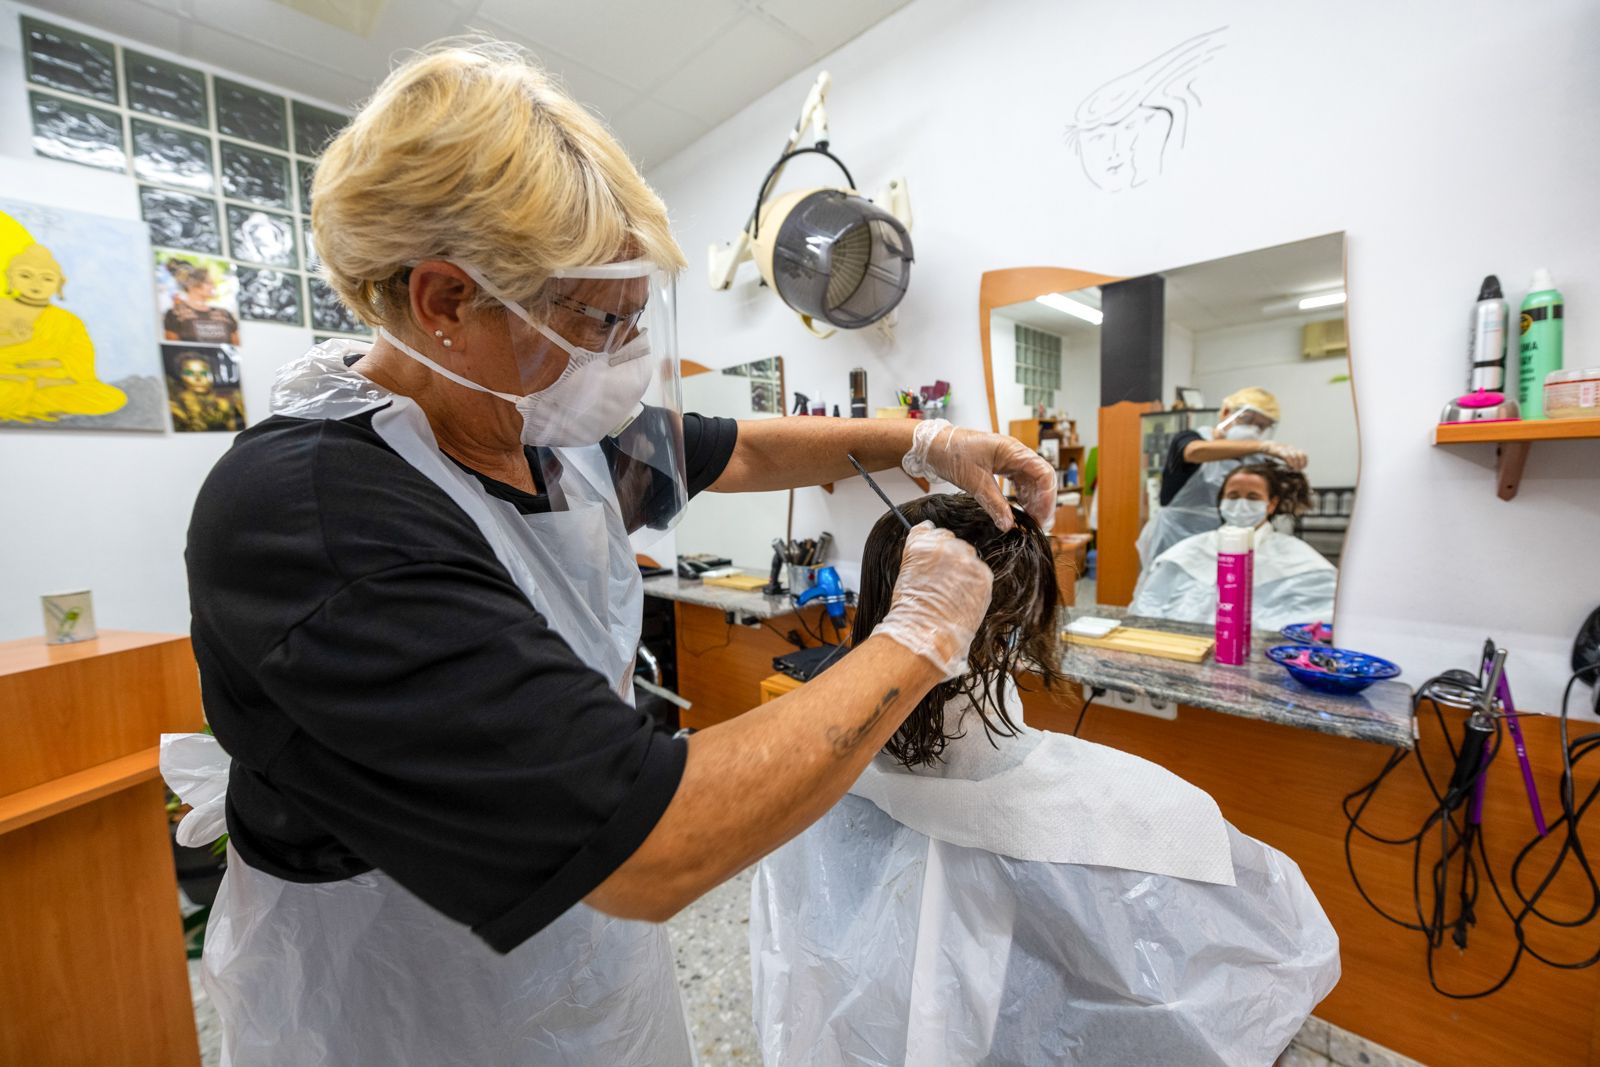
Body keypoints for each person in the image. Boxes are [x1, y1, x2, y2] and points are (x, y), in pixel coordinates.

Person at [161, 39, 1056, 1067]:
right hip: (397, 992)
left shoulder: (547, 426)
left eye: (636, 317)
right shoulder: (316, 519)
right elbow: (651, 842)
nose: (627, 361)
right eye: (600, 321)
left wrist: (920, 438)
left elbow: (739, 445)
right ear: (446, 301)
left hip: (583, 960)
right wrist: (919, 632)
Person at [751, 493, 1340, 1066]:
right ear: (1019, 620)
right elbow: (1273, 972)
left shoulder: (816, 778)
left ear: (876, 604)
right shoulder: (1148, 811)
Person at [1131, 463, 1337, 630]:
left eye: (1253, 497)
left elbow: (1322, 619)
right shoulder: (1188, 551)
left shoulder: (1296, 556)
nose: (1241, 504)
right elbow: (1148, 609)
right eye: (1233, 496)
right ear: (1221, 501)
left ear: (1272, 504)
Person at [1136, 386, 1308, 565]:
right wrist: (1263, 446)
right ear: (1226, 412)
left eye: (1261, 426)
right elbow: (1193, 452)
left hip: (1226, 544)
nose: (1254, 430)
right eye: (1248, 420)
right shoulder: (1191, 439)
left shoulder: (1253, 460)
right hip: (1175, 537)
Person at [0, 242, 126, 422]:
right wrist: (13, 340)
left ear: (60, 283)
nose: (36, 284)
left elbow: (81, 366)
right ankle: (28, 401)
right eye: (25, 275)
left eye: (47, 278)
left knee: (112, 397)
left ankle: (27, 401)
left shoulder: (68, 320)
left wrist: (45, 368)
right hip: (7, 376)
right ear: (10, 277)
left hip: (49, 382)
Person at [162, 258, 241, 345]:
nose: (213, 286)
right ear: (193, 284)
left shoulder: (225, 314)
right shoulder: (175, 314)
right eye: (209, 283)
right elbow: (172, 347)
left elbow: (236, 346)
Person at [165, 348, 245, 432]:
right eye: (189, 373)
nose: (197, 378)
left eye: (203, 373)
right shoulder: (175, 406)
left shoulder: (229, 402)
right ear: (180, 376)